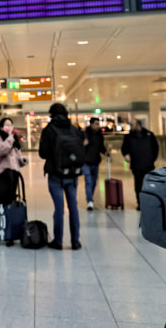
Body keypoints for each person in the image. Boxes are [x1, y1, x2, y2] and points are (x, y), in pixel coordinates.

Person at [39, 103, 85, 251]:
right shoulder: (74, 129)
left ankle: (58, 241)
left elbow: (43, 153)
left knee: (59, 208)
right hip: (72, 174)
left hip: (55, 174)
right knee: (73, 207)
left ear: (51, 114)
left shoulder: (49, 130)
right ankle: (75, 241)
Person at [121, 119, 159, 211]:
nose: (131, 127)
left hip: (148, 165)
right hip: (136, 165)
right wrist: (126, 155)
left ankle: (149, 202)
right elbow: (124, 148)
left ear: (138, 125)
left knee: (149, 185)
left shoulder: (149, 135)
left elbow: (155, 148)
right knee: (138, 185)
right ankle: (140, 202)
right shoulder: (128, 137)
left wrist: (152, 159)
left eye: (132, 125)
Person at [82, 117, 109, 211]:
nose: (98, 125)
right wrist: (82, 144)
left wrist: (105, 152)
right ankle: (90, 201)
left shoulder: (99, 134)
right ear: (92, 124)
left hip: (95, 161)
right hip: (85, 162)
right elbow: (77, 146)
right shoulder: (84, 133)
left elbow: (101, 146)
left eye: (99, 123)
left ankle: (90, 198)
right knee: (88, 181)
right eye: (97, 124)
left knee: (93, 182)